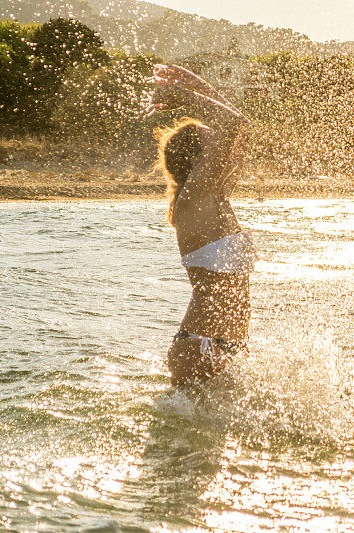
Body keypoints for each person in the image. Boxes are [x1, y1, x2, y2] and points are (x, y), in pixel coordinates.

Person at [147, 64, 255, 387]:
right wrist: (185, 96)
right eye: (210, 137)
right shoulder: (192, 201)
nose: (218, 139)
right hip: (199, 344)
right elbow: (232, 124)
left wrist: (193, 85)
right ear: (198, 158)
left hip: (228, 346)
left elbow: (243, 128)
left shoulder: (216, 195)